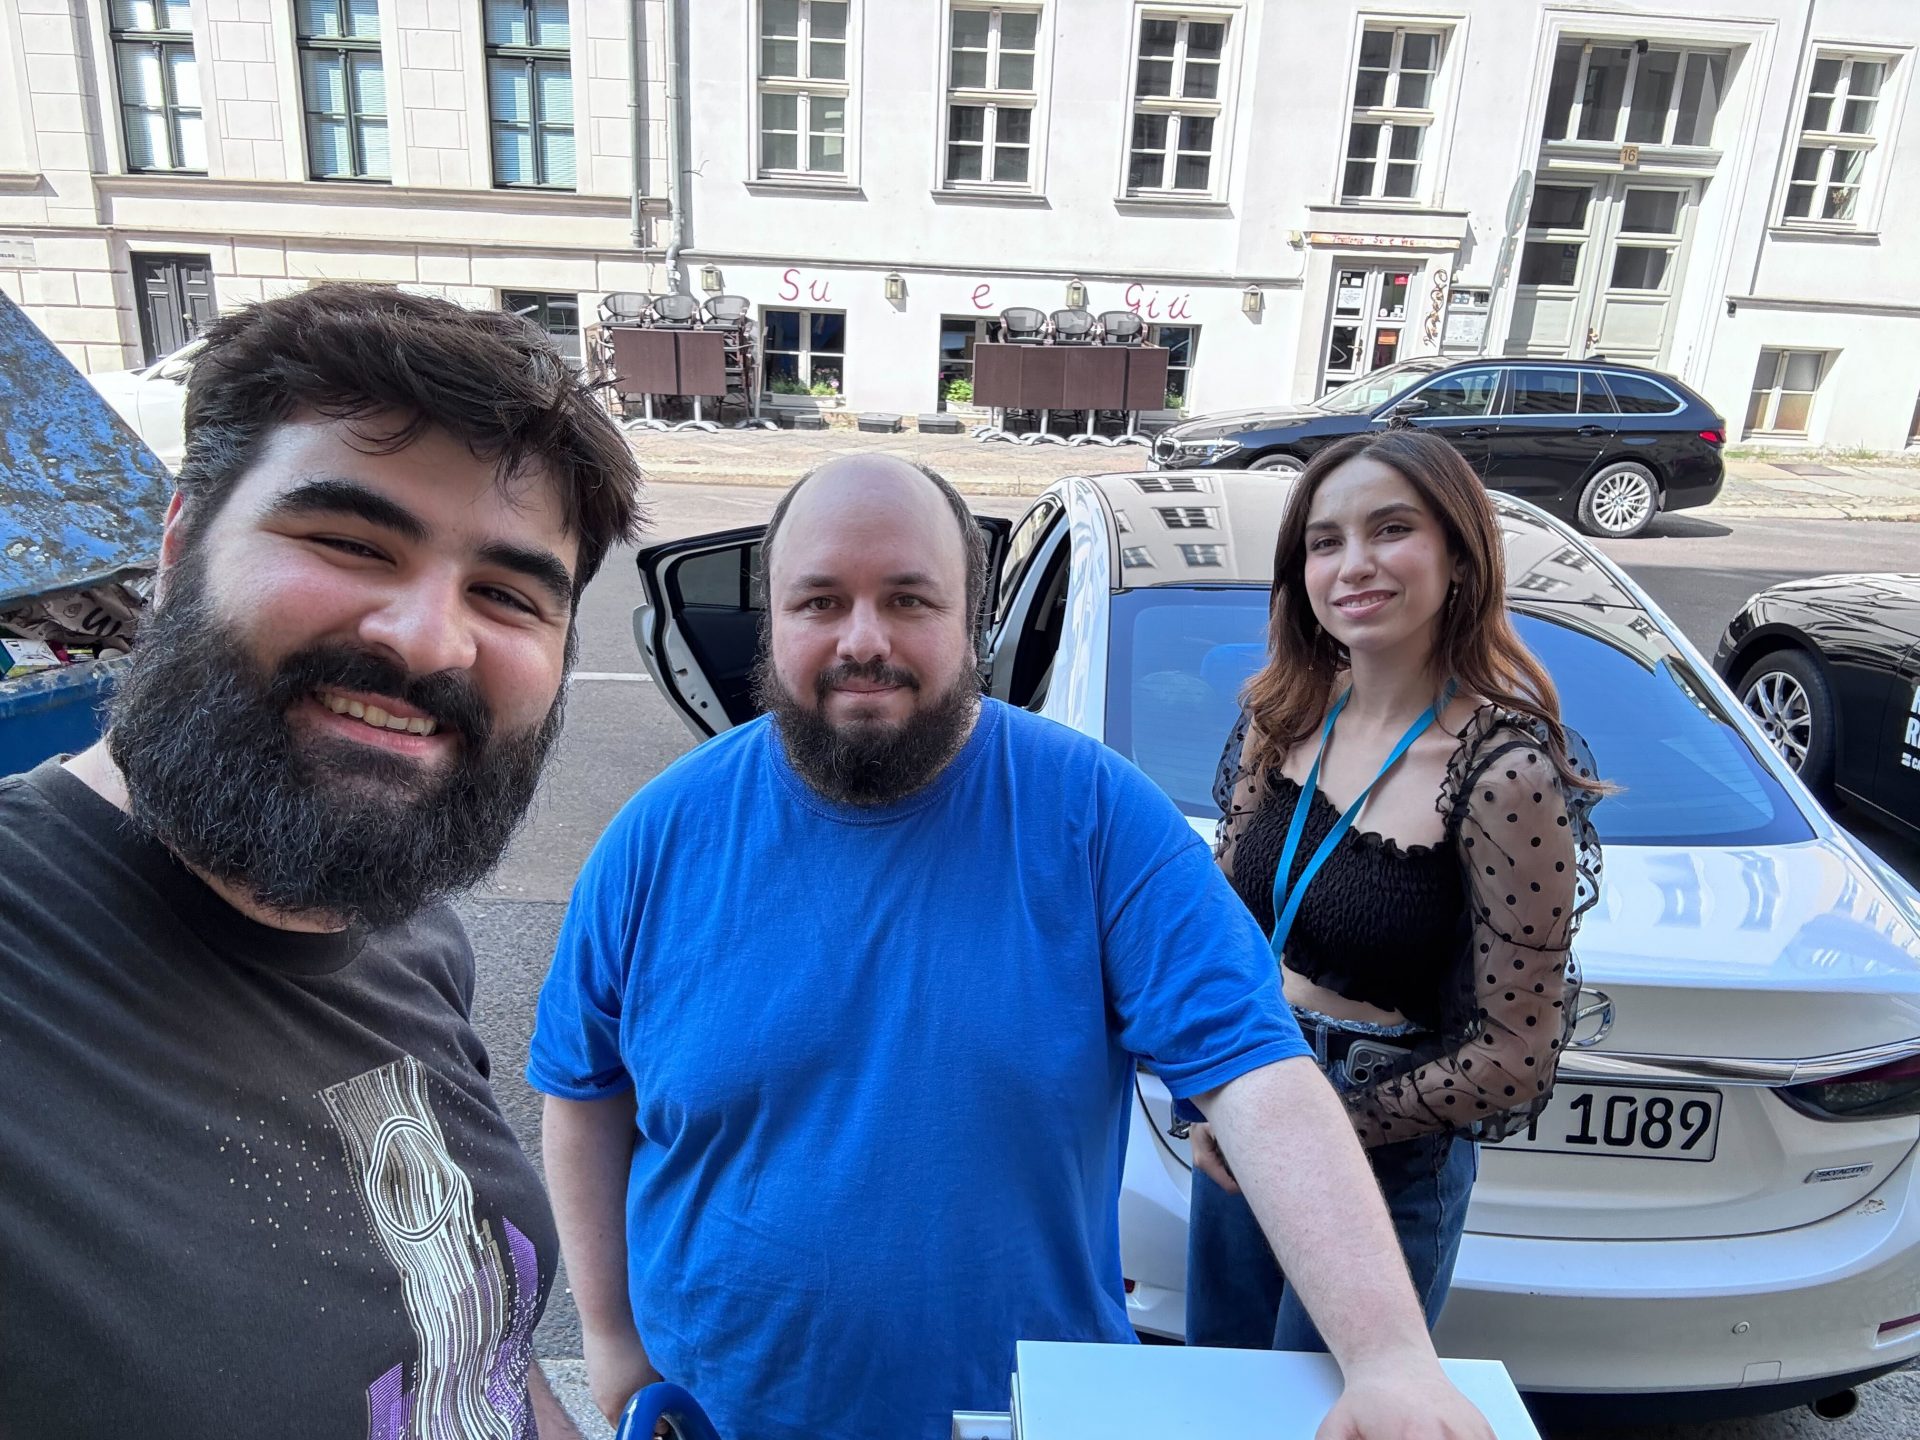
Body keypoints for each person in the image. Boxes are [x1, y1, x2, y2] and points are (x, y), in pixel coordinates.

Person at [530, 453, 1498, 1440]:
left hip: (1019, 1416)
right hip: (711, 1416)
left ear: (974, 621)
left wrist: (1388, 1358)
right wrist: (609, 1340)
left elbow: (1263, 1084)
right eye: (819, 602)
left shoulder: (1097, 818)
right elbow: (583, 1091)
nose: (863, 640)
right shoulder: (657, 837)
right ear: (771, 621)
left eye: (909, 600)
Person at [0, 284, 644, 1437]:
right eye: (350, 543)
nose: (430, 639)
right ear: (181, 546)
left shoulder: (403, 932)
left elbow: (474, 1359)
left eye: (506, 595)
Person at [1183, 427, 1604, 1355]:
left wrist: (1311, 1129)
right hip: (1257, 1089)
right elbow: (1221, 929)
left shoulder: (1506, 773)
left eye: (1391, 529)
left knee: (1337, 1403)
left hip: (1388, 1147)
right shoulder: (1280, 716)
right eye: (1325, 541)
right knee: (1219, 1390)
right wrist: (1221, 1095)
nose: (1353, 564)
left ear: (1459, 556)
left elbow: (1517, 1055)